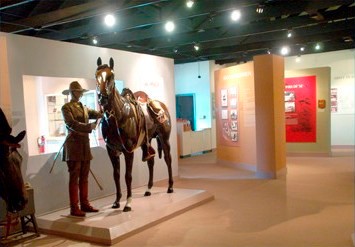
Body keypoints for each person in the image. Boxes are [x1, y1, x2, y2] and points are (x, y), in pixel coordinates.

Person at [61, 81, 102, 217]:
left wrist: (102, 112)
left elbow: (95, 113)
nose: (80, 94)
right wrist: (89, 127)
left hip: (84, 144)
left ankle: (85, 204)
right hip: (73, 146)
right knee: (74, 177)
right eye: (78, 91)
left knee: (84, 177)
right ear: (73, 92)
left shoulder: (84, 108)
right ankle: (74, 207)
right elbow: (71, 124)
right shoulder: (66, 108)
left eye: (81, 92)